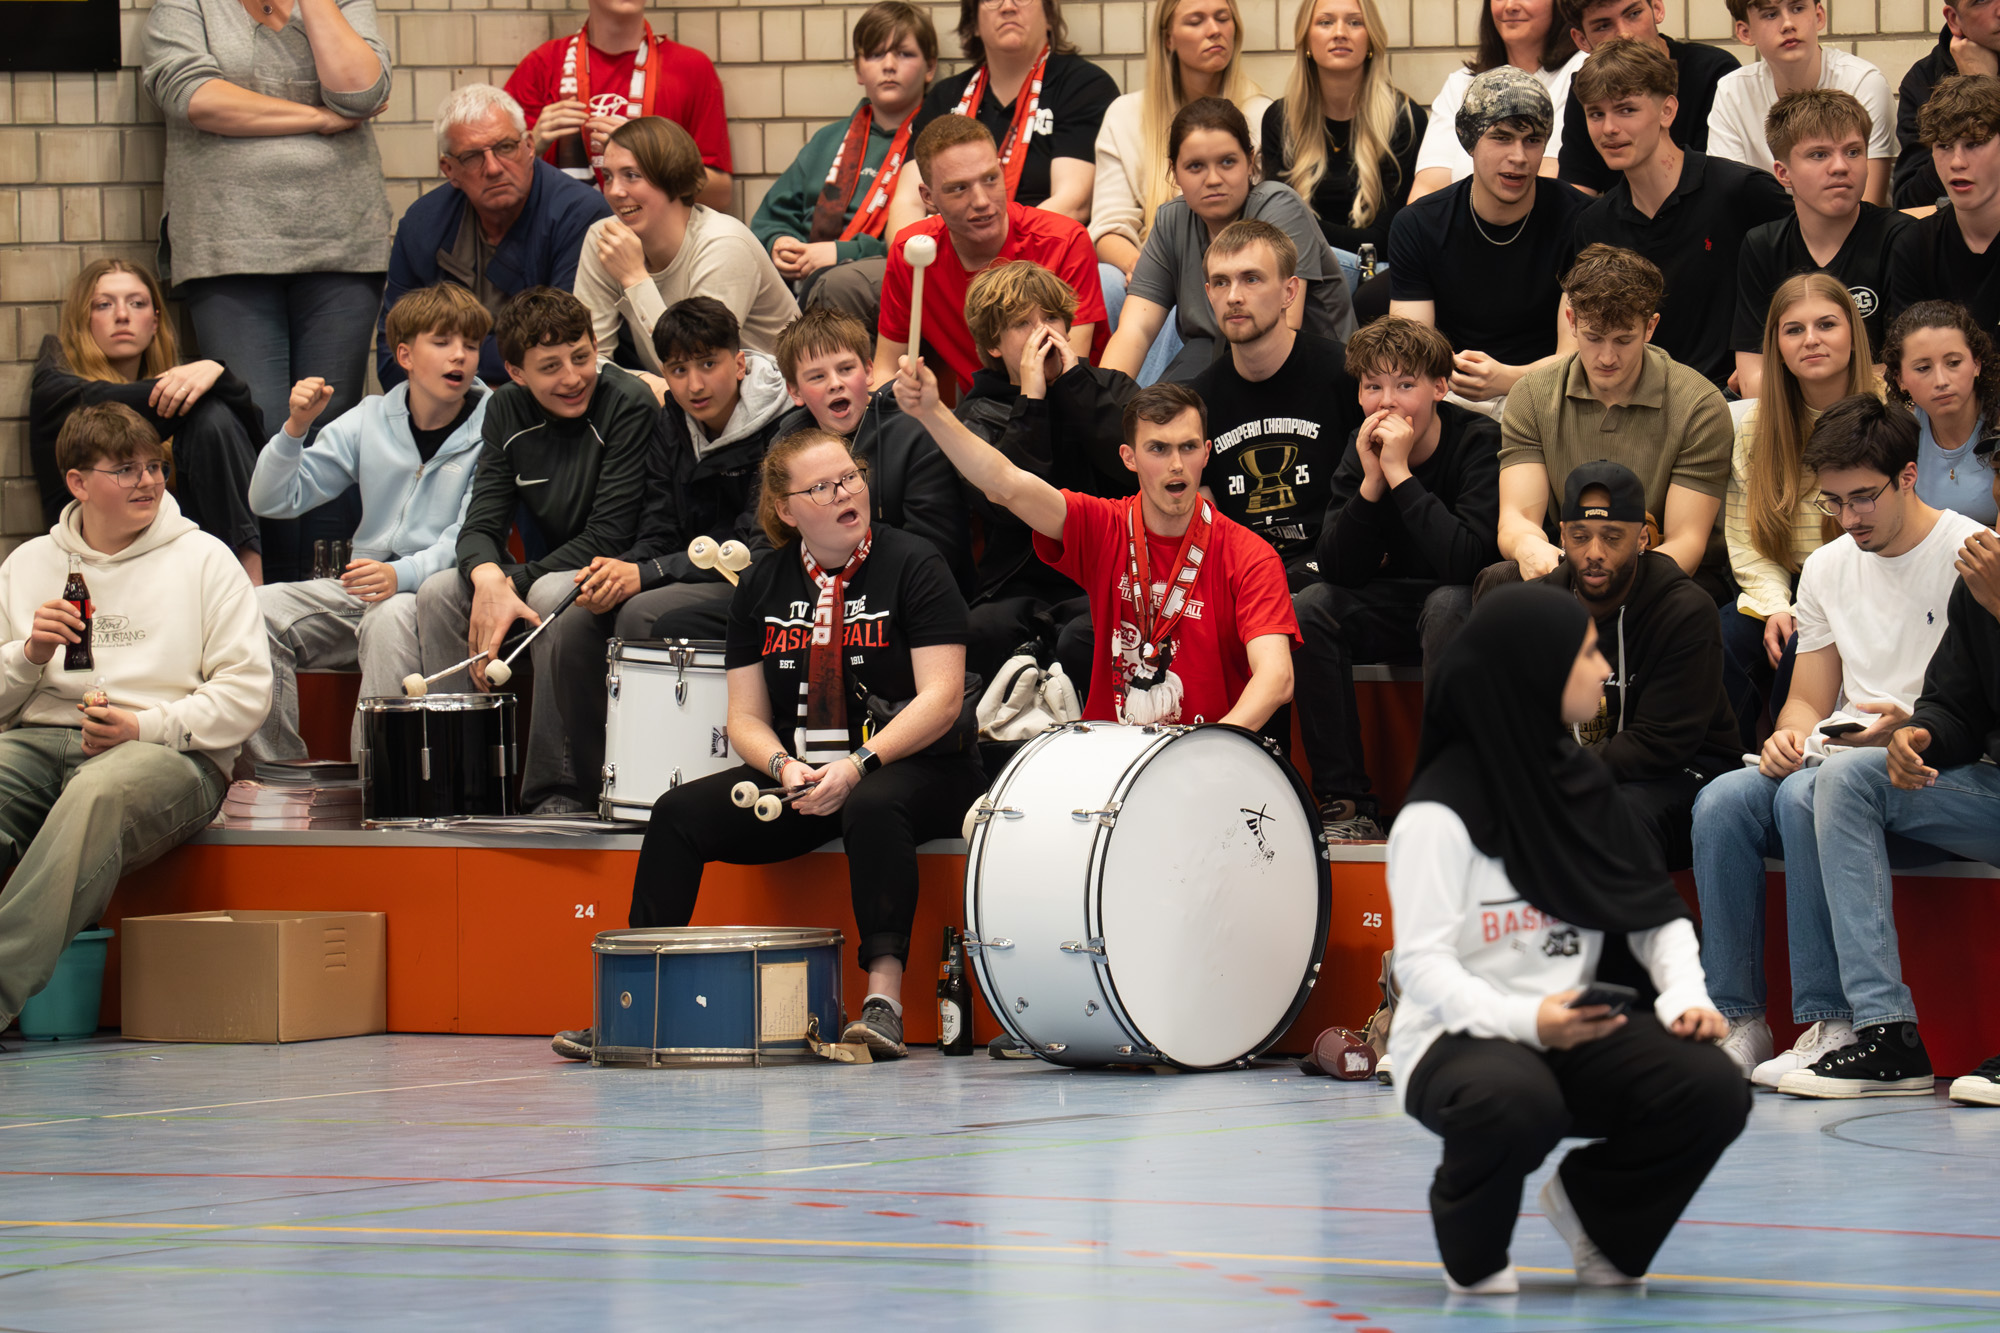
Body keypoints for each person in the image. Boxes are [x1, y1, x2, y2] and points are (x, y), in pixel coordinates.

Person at [551, 427, 991, 1061]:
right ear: (786, 510)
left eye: (851, 477)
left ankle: (883, 1003)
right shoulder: (762, 585)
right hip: (808, 775)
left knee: (871, 803)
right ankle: (634, 1006)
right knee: (677, 815)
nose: (846, 492)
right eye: (823, 487)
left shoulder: (915, 564)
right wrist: (783, 767)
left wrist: (858, 765)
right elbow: (746, 719)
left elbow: (943, 699)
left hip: (924, 768)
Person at [1388, 582, 1744, 1296]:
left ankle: (1599, 1217)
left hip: (1573, 1024)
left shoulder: (1582, 784)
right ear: (1537, 669)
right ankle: (1473, 1242)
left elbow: (1650, 909)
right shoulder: (1437, 813)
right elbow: (1421, 966)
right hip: (1458, 1039)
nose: (1605, 670)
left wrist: (1683, 994)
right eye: (1587, 653)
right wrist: (1527, 1020)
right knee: (1517, 1101)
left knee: (1712, 1087)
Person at [1693, 394, 1986, 1085]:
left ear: (1908, 477)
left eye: (1863, 499)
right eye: (1832, 502)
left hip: (1935, 767)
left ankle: (1835, 1018)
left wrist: (1904, 731)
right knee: (1725, 800)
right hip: (1848, 760)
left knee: (1810, 789)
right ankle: (1737, 1017)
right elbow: (1807, 699)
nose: (1849, 519)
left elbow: (1970, 710)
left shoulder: (1969, 553)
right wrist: (1787, 737)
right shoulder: (1826, 565)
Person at [0, 403, 272, 1033]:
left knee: (97, 794)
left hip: (174, 755)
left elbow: (246, 695)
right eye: (125, 469)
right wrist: (28, 655)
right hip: (42, 740)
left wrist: (143, 726)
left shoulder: (205, 559)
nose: (149, 481)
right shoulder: (27, 565)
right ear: (77, 483)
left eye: (156, 466)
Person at [141, 0, 393, 584]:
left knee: (334, 427)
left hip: (341, 243)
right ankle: (272, 599)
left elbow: (359, 92)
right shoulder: (187, 5)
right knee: (265, 426)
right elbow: (198, 99)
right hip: (229, 246)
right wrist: (319, 119)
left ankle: (332, 592)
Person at [899, 364, 1301, 729]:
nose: (1176, 464)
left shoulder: (1250, 555)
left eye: (1188, 447)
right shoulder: (1105, 525)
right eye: (1158, 449)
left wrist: (1212, 747)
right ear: (1129, 457)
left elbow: (1276, 678)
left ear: (1207, 453)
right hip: (1113, 763)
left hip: (1208, 754)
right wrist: (933, 413)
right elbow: (1006, 485)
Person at [530, 297, 792, 815]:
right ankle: (593, 788)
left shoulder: (783, 425)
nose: (695, 384)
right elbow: (656, 528)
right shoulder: (670, 423)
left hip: (757, 581)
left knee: (641, 611)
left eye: (709, 364)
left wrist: (647, 574)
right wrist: (621, 570)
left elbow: (754, 545)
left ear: (739, 363)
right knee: (582, 612)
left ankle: (656, 782)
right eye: (678, 369)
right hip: (682, 573)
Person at [1800, 447, 2000, 1104]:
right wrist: (1921, 733)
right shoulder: (1984, 573)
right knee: (1846, 778)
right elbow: (1957, 701)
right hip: (1988, 791)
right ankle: (1888, 1032)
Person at [414, 287, 655, 815]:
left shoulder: (627, 403)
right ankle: (461, 783)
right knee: (436, 592)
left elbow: (608, 534)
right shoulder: (505, 408)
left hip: (620, 572)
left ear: (598, 347)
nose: (572, 377)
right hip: (542, 573)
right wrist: (487, 579)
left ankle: (559, 793)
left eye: (582, 357)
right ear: (517, 373)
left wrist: (510, 583)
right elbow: (480, 524)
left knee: (549, 591)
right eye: (550, 366)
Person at [246, 286, 493, 766]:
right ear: (404, 354)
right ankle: (277, 773)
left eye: (471, 343)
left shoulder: (493, 426)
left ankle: (377, 787)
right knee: (253, 609)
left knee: (386, 621)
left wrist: (399, 576)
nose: (460, 355)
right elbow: (273, 498)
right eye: (442, 342)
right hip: (363, 587)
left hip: (437, 594)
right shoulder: (371, 417)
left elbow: (469, 535)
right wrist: (295, 428)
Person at [1179, 220, 1364, 831]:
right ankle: (1240, 804)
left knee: (1300, 608)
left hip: (1334, 569)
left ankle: (1346, 802)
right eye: (1221, 282)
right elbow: (1198, 521)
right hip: (1244, 576)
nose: (1234, 295)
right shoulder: (1198, 402)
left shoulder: (1343, 376)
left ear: (1290, 291)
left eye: (1252, 279)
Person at [1316, 316, 1501, 835]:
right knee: (1311, 607)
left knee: (1449, 601)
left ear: (1440, 388)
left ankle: (1450, 796)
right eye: (1373, 386)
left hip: (1461, 607)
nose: (1387, 403)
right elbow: (1337, 567)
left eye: (1404, 385)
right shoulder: (1360, 448)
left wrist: (1399, 474)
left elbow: (1468, 560)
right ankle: (1345, 802)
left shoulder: (1478, 441)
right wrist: (1373, 481)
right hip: (1388, 606)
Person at [1527, 462, 1740, 870]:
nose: (1594, 553)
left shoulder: (1684, 610)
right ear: (1562, 536)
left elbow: (1661, 742)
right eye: (1579, 536)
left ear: (1643, 538)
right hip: (1576, 774)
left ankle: (1621, 934)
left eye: (1612, 537)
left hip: (1683, 771)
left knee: (1610, 816)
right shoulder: (1537, 609)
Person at [1496, 244, 1733, 597]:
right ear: (1572, 321)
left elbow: (1686, 544)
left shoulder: (1699, 405)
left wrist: (1607, 584)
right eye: (1593, 338)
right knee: (1496, 580)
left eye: (1624, 340)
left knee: (1688, 598)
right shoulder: (1531, 395)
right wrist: (1530, 549)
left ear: (1650, 327)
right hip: (1570, 561)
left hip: (1661, 572)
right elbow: (1517, 520)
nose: (1607, 357)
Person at [1570, 38, 1793, 389]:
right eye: (1596, 113)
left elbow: (1806, 283)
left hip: (1731, 399)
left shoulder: (1742, 191)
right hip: (1636, 406)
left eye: (1626, 110)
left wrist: (1768, 363)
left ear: (1667, 111)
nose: (1609, 128)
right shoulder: (1594, 224)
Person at [30, 259, 262, 581]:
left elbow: (258, 438)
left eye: (136, 303)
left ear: (154, 322)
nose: (122, 315)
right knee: (209, 410)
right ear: (83, 321)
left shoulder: (190, 416)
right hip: (94, 570)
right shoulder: (57, 390)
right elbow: (115, 410)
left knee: (214, 419)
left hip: (183, 565)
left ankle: (248, 581)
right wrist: (217, 375)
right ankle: (249, 580)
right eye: (103, 304)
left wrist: (214, 376)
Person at [954, 262, 1131, 683]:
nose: (1043, 333)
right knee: (981, 633)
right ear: (994, 345)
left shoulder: (1111, 388)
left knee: (1086, 636)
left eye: (1051, 318)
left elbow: (1132, 470)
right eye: (1021, 324)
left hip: (1107, 575)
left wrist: (1075, 387)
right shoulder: (976, 416)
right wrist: (1031, 400)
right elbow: (1009, 507)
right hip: (1018, 582)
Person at [1101, 98, 1355, 384]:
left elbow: (1284, 325)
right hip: (1217, 356)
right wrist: (1102, 407)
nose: (1213, 179)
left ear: (1250, 161)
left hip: (1309, 370)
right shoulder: (1172, 220)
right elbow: (1136, 328)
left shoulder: (1279, 206)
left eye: (1227, 162)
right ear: (1174, 172)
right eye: (1195, 166)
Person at [1722, 273, 1874, 748]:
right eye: (1793, 330)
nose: (1811, 340)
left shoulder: (1888, 418)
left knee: (1801, 654)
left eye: (1827, 324)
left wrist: (1809, 612)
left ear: (1853, 333)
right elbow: (1747, 540)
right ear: (1777, 346)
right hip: (1782, 588)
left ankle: (1797, 758)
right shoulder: (1754, 426)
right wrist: (1774, 608)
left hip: (1866, 586)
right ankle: (1729, 768)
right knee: (1716, 640)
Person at [378, 84, 613, 391]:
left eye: (505, 147)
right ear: (449, 169)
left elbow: (563, 347)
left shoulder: (580, 214)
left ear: (529, 146)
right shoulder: (423, 224)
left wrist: (444, 360)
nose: (493, 168)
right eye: (472, 157)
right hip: (443, 409)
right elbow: (392, 351)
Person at [1388, 67, 1588, 411]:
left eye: (1533, 140)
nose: (1519, 157)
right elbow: (1410, 353)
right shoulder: (1419, 224)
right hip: (1451, 396)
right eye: (1502, 137)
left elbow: (1577, 356)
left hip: (1551, 396)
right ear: (1468, 139)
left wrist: (1509, 379)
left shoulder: (1580, 219)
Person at [870, 116, 1108, 394]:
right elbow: (886, 368)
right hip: (982, 410)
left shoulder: (1063, 241)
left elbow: (1069, 372)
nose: (982, 201)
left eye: (990, 179)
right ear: (928, 197)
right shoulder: (912, 251)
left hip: (1066, 402)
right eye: (959, 188)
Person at [573, 117, 799, 382]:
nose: (614, 191)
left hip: (775, 401)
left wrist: (635, 278)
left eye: (631, 176)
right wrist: (642, 387)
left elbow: (698, 371)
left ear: (674, 180)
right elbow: (586, 358)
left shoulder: (723, 245)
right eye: (609, 176)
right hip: (681, 398)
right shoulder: (605, 238)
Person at [769, 309, 977, 597]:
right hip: (811, 595)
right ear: (794, 391)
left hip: (909, 596)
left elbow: (937, 548)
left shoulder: (917, 430)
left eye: (845, 369)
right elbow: (768, 539)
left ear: (868, 371)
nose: (835, 383)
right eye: (817, 376)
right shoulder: (787, 440)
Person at [749, 3, 938, 314]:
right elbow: (770, 219)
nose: (888, 65)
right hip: (800, 283)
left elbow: (933, 243)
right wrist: (779, 243)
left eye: (904, 54)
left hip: (878, 289)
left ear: (930, 67)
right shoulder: (829, 139)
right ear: (858, 69)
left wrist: (843, 252)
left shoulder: (936, 145)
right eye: (875, 55)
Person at [1092, 0, 1270, 322]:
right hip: (1146, 263)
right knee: (1106, 280)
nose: (1214, 30)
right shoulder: (1125, 115)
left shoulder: (1261, 115)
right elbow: (1108, 226)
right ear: (1168, 38)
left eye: (1222, 18)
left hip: (1231, 271)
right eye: (1196, 21)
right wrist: (1144, 271)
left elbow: (1269, 221)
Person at [883, 0, 1120, 235]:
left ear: (1048, 15)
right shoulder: (945, 97)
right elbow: (909, 203)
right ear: (974, 22)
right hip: (949, 256)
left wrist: (994, 257)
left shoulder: (1084, 86)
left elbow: (1072, 203)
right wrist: (910, 259)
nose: (1008, 7)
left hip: (1041, 256)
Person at [1732, 89, 1909, 400]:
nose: (1840, 166)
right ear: (1783, 173)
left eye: (1853, 151)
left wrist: (1797, 376)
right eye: (1819, 154)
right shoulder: (1762, 245)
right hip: (1791, 425)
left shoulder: (1900, 238)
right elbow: (1752, 380)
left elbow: (1906, 372)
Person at [504, 0, 733, 208]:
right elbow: (495, 185)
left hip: (659, 248)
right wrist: (533, 148)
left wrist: (649, 159)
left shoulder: (690, 68)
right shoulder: (542, 65)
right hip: (566, 243)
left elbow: (720, 196)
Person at [1262, 0, 1426, 277]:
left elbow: (1389, 239)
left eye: (1354, 22)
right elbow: (1277, 230)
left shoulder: (1405, 119)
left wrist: (1304, 228)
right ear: (1307, 40)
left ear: (1371, 38)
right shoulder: (1280, 118)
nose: (1340, 32)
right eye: (1325, 22)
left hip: (1376, 281)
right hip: (1301, 279)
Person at [1705, 0, 1895, 203]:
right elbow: (1728, 200)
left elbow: (1869, 205)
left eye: (1797, 9)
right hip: (1765, 232)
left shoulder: (1863, 82)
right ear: (1745, 32)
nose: (1788, 24)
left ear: (1819, 15)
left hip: (1857, 230)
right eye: (1770, 14)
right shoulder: (1732, 92)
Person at [1554, 0, 1737, 196]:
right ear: (1581, 39)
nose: (1625, 34)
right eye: (1604, 26)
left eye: (1633, 14)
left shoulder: (1713, 72)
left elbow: (1721, 185)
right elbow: (1576, 191)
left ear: (1657, 8)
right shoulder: (1585, 86)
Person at [1408, 0, 1583, 200]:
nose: (1510, 6)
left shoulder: (1577, 70)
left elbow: (1553, 182)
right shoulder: (1462, 82)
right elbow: (1426, 191)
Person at [1886, 75, 2000, 331]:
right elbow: (1913, 353)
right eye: (1944, 145)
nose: (1957, 162)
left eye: (1974, 144)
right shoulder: (1915, 245)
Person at [1883, 300, 2000, 525]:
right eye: (1923, 368)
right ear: (1900, 379)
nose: (1941, 381)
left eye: (1953, 363)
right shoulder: (1897, 434)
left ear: (1976, 364)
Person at [1892, 1, 2000, 207]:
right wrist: (1975, 90)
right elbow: (1910, 203)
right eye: (1983, 0)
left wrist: (1986, 90)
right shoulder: (1925, 79)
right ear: (1954, 19)